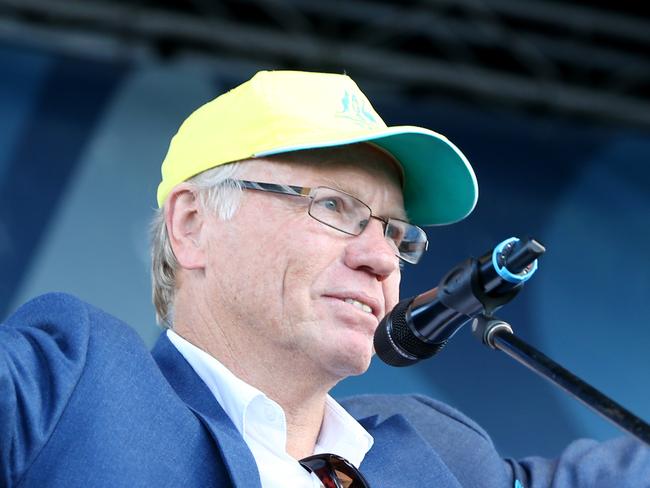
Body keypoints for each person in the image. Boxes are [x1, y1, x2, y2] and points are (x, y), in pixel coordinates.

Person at [1, 70, 648, 488]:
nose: (382, 258)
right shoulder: (71, 387)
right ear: (192, 225)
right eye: (334, 206)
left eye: (396, 232)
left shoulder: (440, 455)